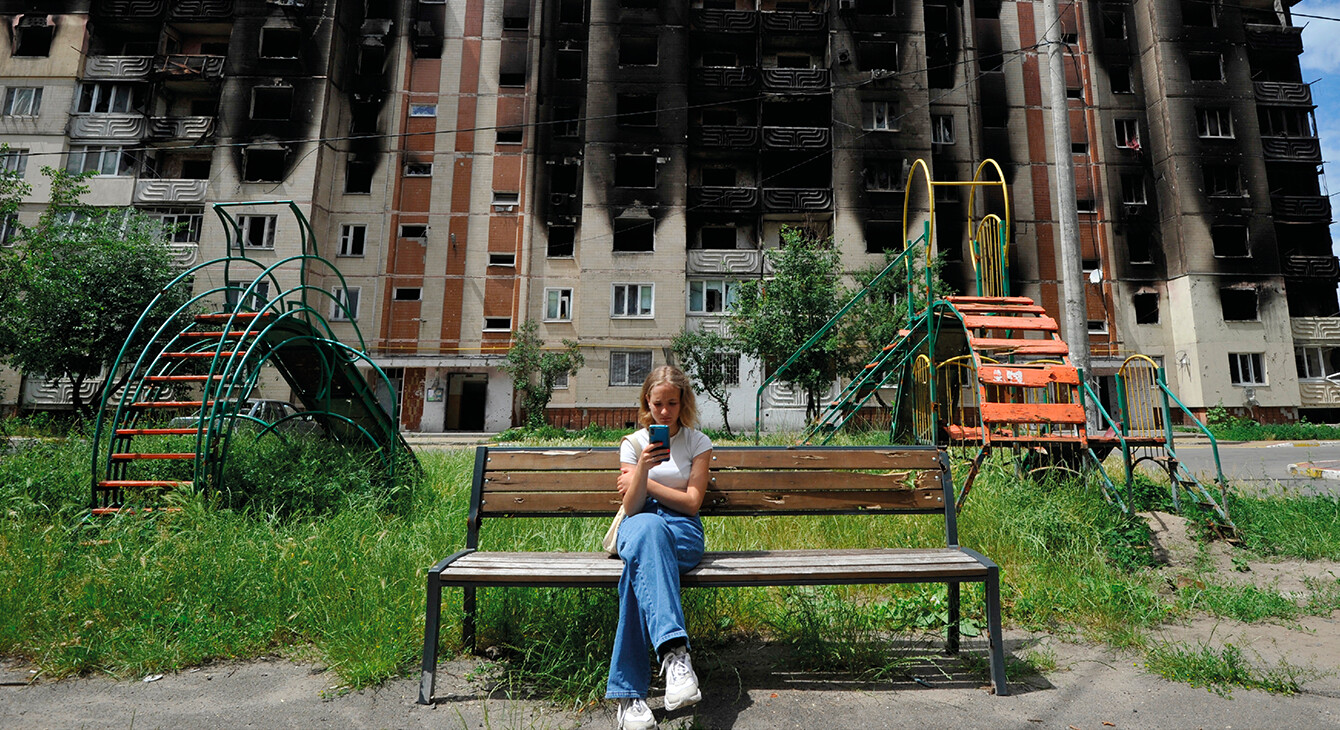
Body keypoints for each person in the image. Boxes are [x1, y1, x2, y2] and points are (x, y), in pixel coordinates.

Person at [608, 365, 714, 730]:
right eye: (658, 404)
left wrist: (647, 483)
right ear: (647, 403)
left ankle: (628, 698)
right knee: (648, 532)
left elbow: (692, 503)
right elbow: (633, 508)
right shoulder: (633, 444)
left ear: (683, 402)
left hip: (682, 531)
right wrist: (642, 469)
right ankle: (675, 657)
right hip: (640, 525)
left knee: (639, 571)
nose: (665, 411)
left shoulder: (698, 443)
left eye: (672, 403)